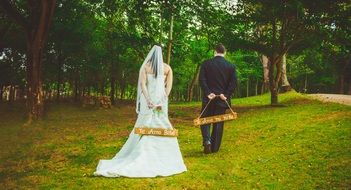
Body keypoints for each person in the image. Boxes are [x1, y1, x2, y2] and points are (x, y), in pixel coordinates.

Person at [94, 45, 187, 177]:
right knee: (161, 123)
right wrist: (163, 98)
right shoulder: (167, 68)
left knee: (145, 123)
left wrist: (148, 99)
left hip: (148, 99)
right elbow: (169, 86)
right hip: (161, 100)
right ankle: (162, 156)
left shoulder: (146, 67)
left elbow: (143, 84)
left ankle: (141, 151)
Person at [199, 43, 237, 154]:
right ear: (225, 53)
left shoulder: (206, 64)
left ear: (214, 52)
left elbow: (202, 80)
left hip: (208, 99)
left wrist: (208, 92)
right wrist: (226, 94)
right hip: (222, 99)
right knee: (218, 122)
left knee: (204, 120)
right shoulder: (231, 66)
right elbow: (233, 83)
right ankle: (214, 148)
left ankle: (207, 141)